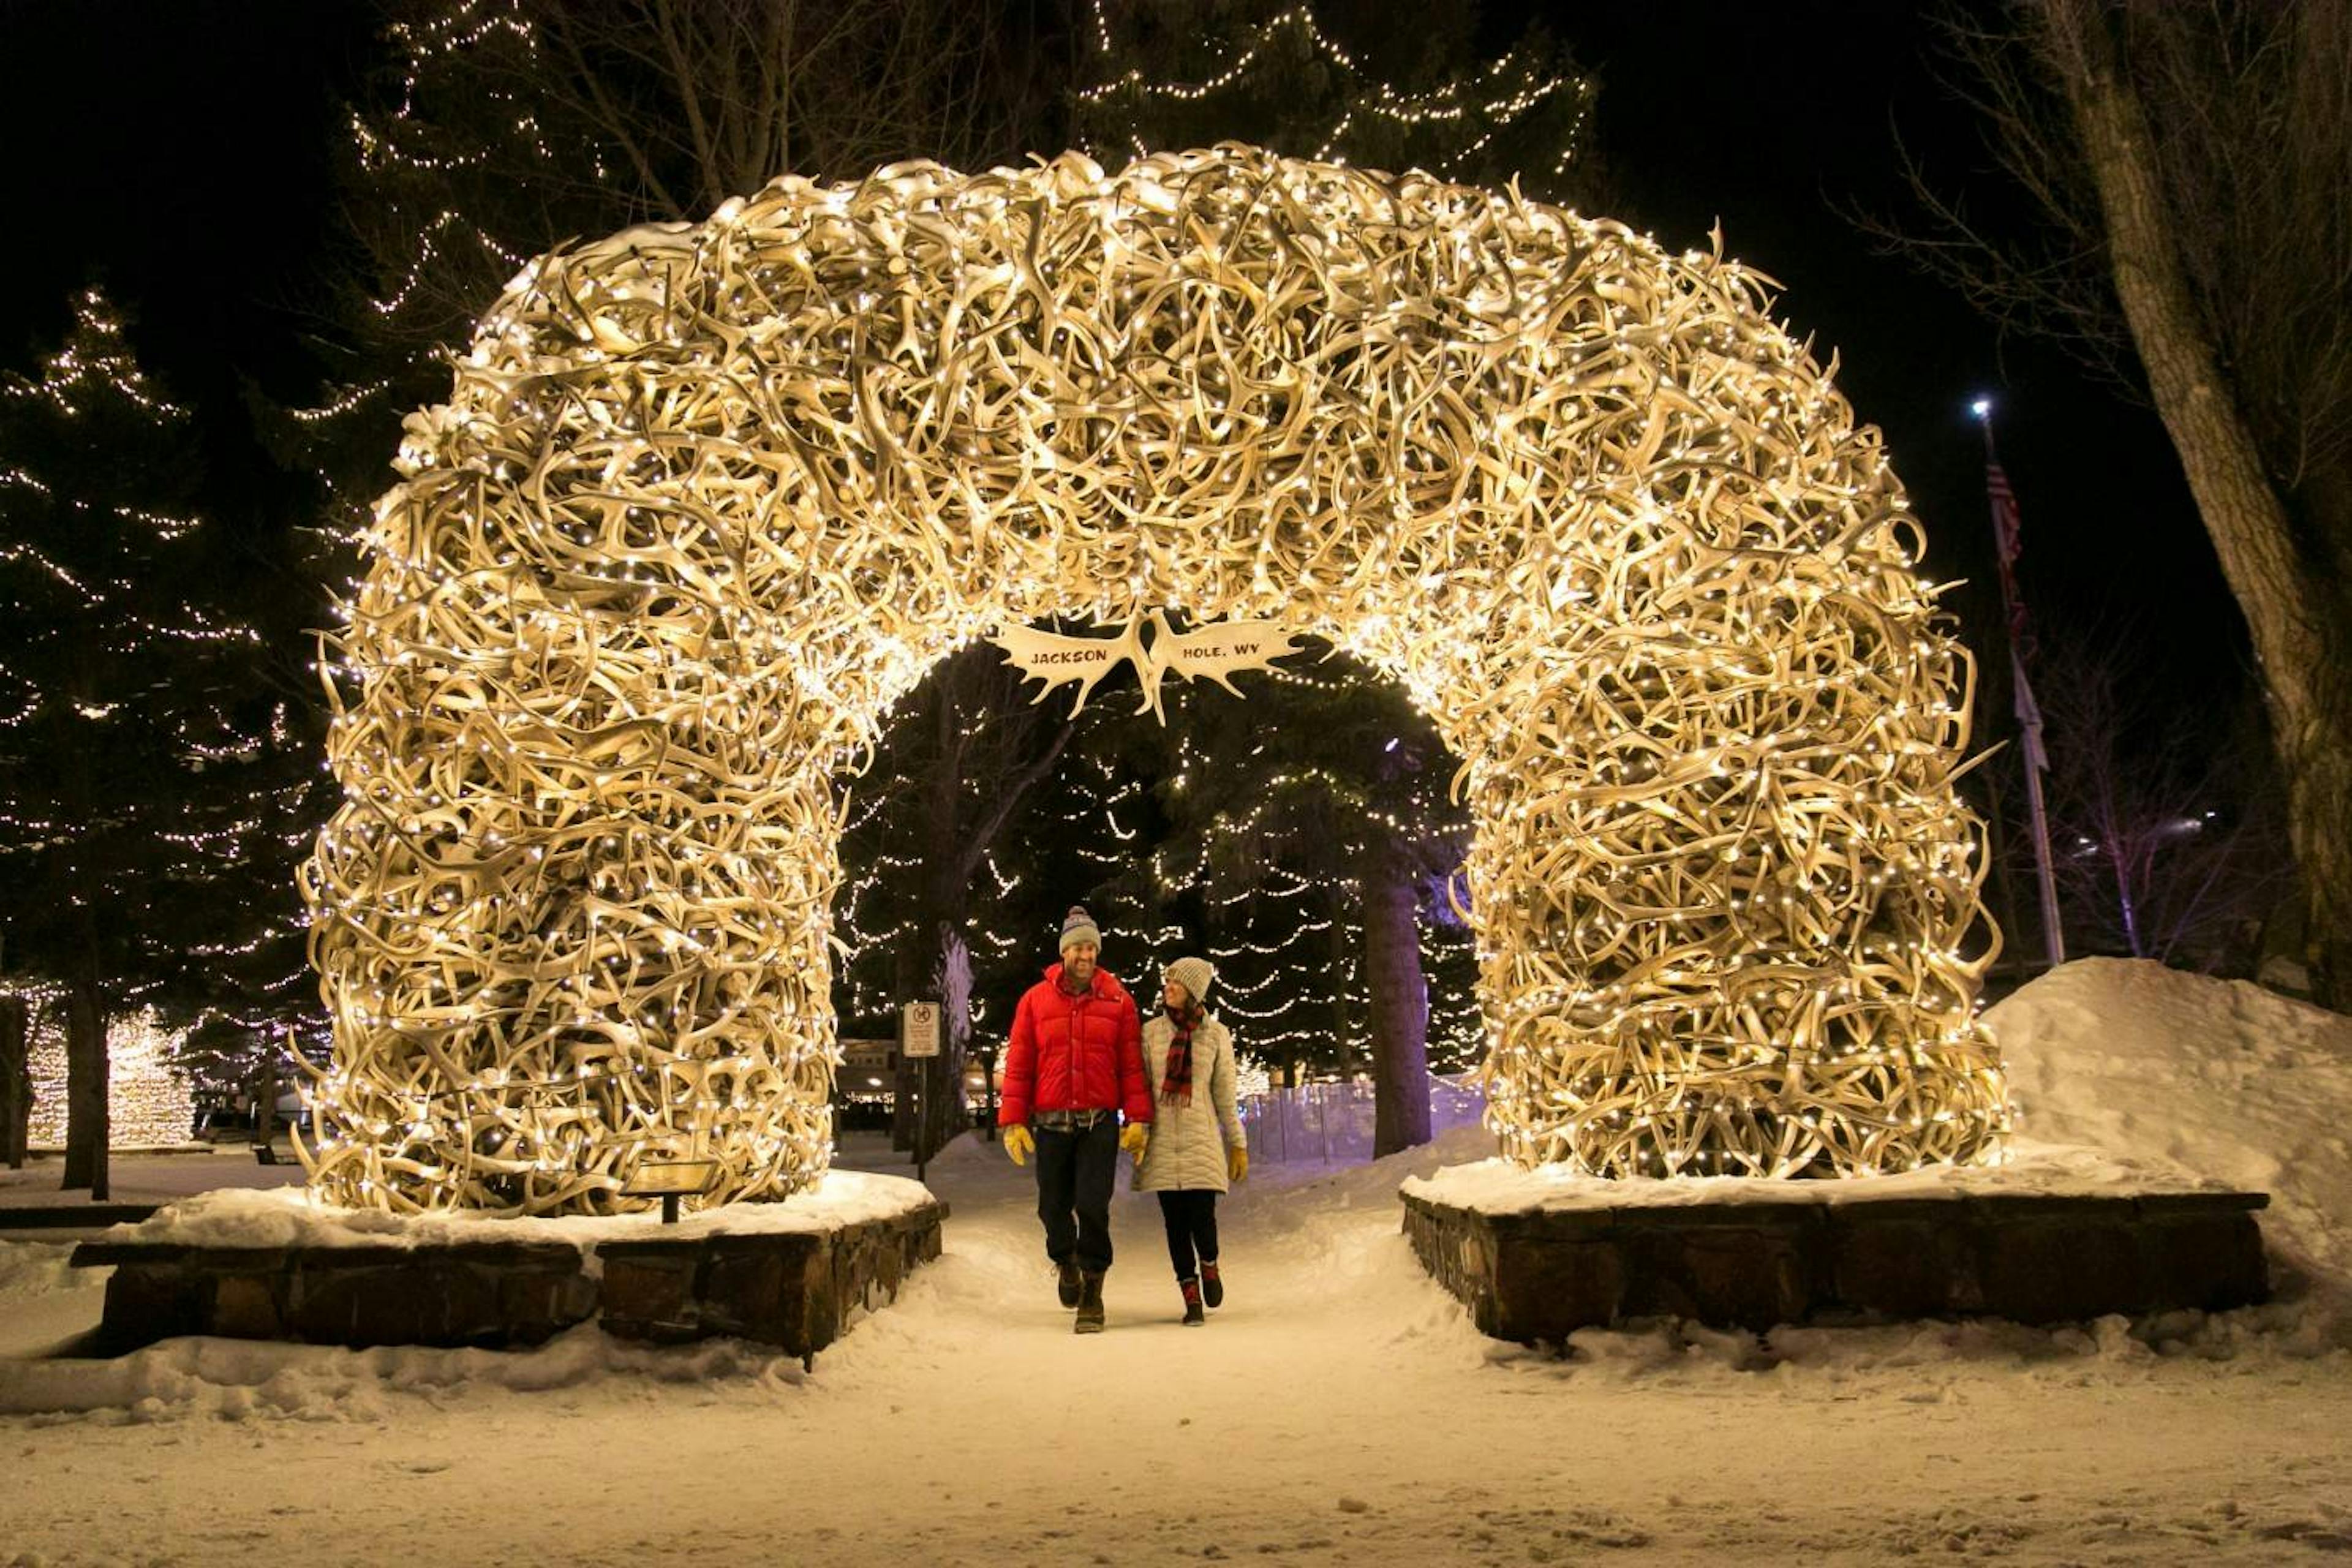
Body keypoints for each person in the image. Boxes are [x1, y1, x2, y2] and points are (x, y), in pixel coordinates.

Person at [998, 905, 1152, 1333]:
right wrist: (1013, 1121)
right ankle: (1065, 1260)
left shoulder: (1119, 1000)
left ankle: (1094, 1291)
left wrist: (1137, 1118)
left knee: (1092, 1205)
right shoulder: (1034, 1001)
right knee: (1052, 1207)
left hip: (1098, 1123)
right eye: (1077, 947)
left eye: (1091, 947)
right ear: (1064, 952)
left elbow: (1131, 1066)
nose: (1085, 955)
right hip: (1051, 1125)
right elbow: (1020, 1065)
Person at [1133, 956, 1246, 1326]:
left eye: (1177, 983)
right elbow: (1144, 1092)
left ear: (1194, 992)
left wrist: (1237, 1143)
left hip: (1201, 1141)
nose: (1168, 988)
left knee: (1203, 1219)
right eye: (1167, 981)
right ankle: (1191, 1296)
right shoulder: (1150, 1033)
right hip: (1163, 1144)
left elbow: (1225, 1097)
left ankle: (1210, 1265)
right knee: (1175, 1226)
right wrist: (1139, 1134)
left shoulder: (1216, 1036)